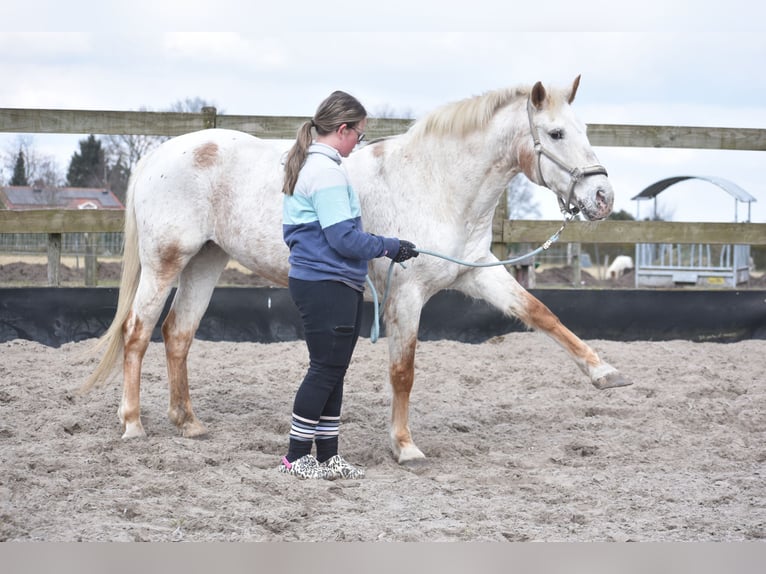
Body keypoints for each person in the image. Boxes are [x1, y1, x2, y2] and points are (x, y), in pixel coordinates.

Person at [279, 90, 418, 480]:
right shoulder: (326, 173)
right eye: (358, 133)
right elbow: (343, 238)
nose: (359, 142)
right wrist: (391, 246)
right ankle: (295, 456)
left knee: (333, 369)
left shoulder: (315, 166)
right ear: (342, 129)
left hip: (326, 281)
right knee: (324, 369)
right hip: (327, 283)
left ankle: (327, 456)